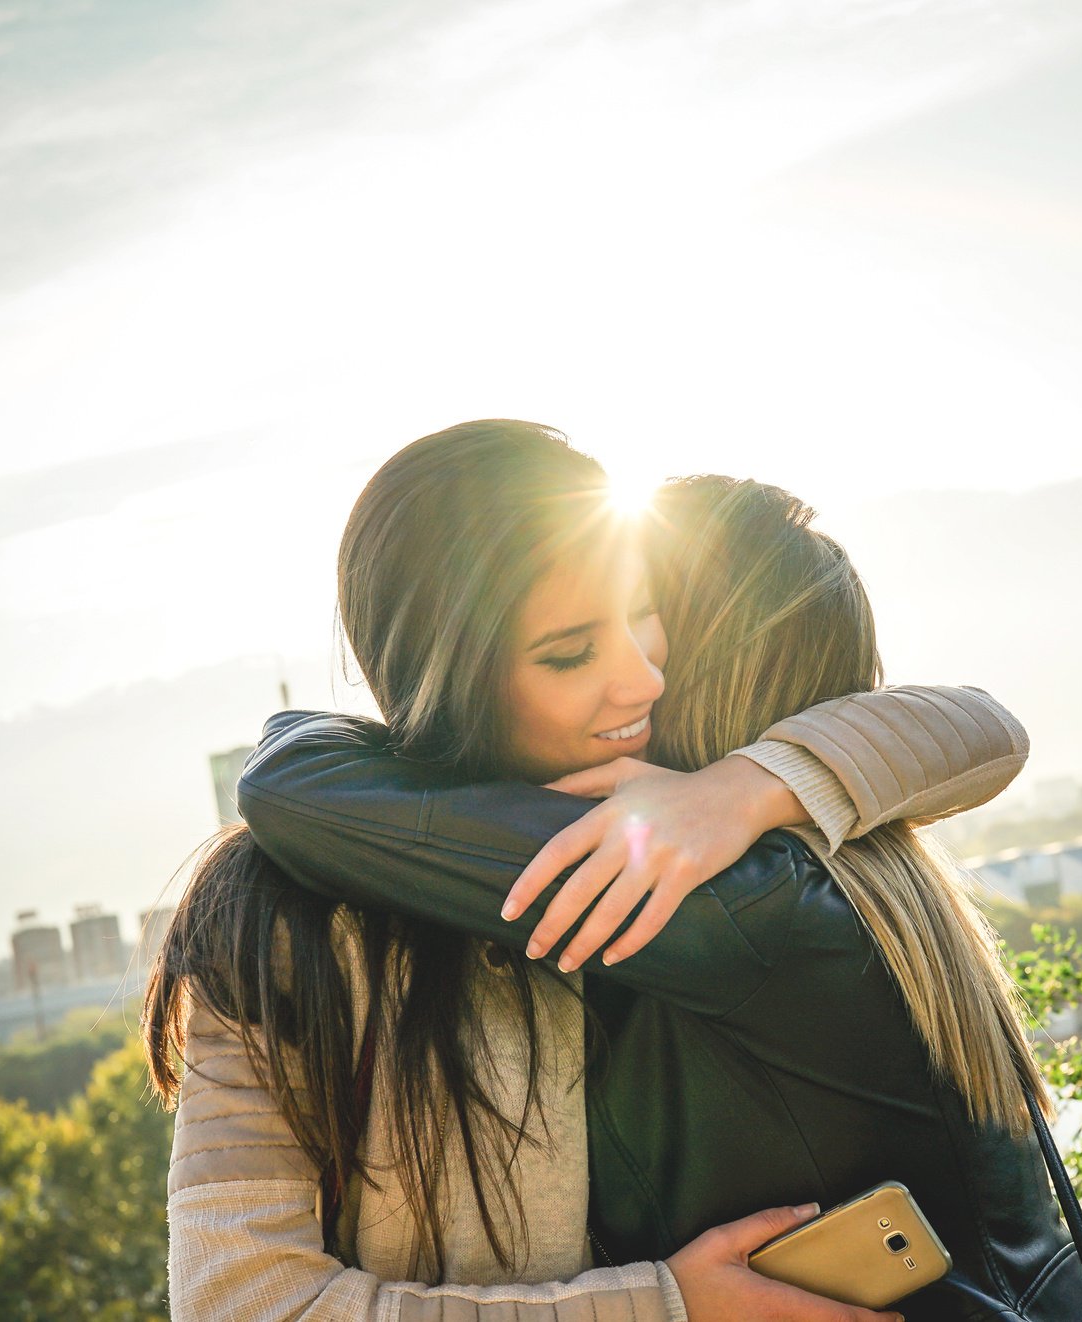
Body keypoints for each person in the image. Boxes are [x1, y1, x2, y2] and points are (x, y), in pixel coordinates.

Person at [146, 420, 1035, 1321]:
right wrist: (659, 1307)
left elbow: (984, 728)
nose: (642, 678)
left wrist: (748, 785)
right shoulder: (277, 917)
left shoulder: (680, 868)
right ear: (447, 671)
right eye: (569, 653)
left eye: (645, 614)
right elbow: (237, 1302)